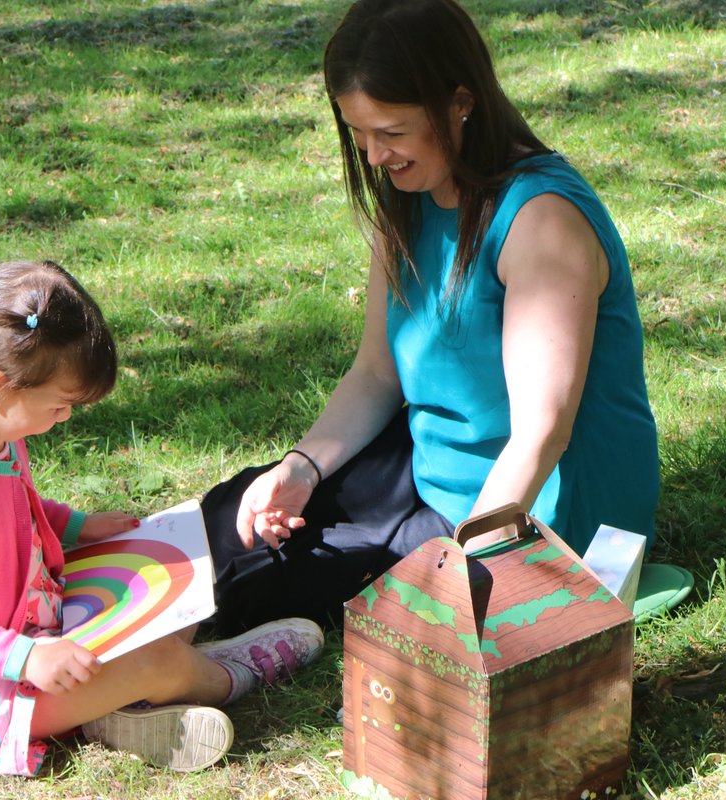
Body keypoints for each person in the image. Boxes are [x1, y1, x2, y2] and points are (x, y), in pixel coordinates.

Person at [202, 0, 660, 635]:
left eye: (391, 132)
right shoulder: (412, 195)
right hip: (432, 472)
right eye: (358, 134)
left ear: (460, 103)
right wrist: (301, 467)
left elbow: (542, 434)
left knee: (263, 581)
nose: (373, 157)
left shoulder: (541, 221)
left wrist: (466, 568)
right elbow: (375, 374)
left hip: (537, 506)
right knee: (230, 521)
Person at [0, 259, 323, 776]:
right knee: (158, 659)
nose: (64, 419)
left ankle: (116, 708)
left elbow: (14, 509)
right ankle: (220, 675)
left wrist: (76, 526)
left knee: (173, 590)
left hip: (32, 627)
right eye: (61, 406)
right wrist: (25, 658)